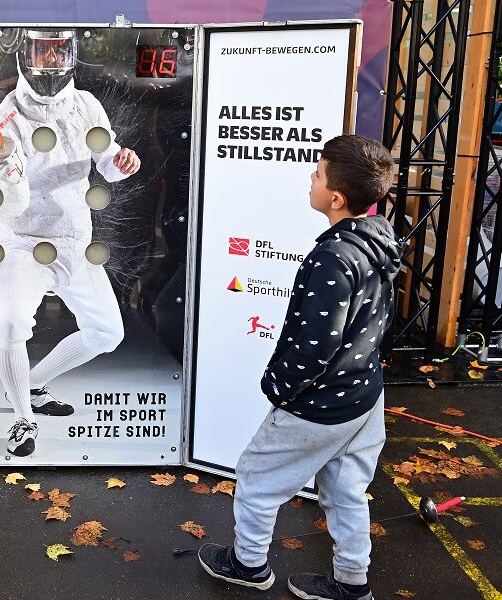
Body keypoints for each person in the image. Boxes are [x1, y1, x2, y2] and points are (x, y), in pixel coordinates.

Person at [198, 135, 401, 600]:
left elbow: (314, 347)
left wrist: (277, 387)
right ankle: (352, 583)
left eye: (317, 173)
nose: (310, 177)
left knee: (255, 479)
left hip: (320, 404)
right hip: (364, 398)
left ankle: (247, 565)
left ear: (335, 197)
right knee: (346, 490)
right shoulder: (378, 240)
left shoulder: (333, 257)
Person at [0, 28, 141, 457]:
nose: (52, 58)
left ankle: (33, 384)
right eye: (43, 48)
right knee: (13, 324)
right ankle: (22, 417)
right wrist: (6, 168)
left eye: (60, 49)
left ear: (71, 53)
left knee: (107, 332)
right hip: (24, 241)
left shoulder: (86, 105)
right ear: (27, 52)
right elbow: (5, 178)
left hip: (75, 240)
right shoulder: (8, 115)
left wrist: (123, 161)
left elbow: (107, 167)